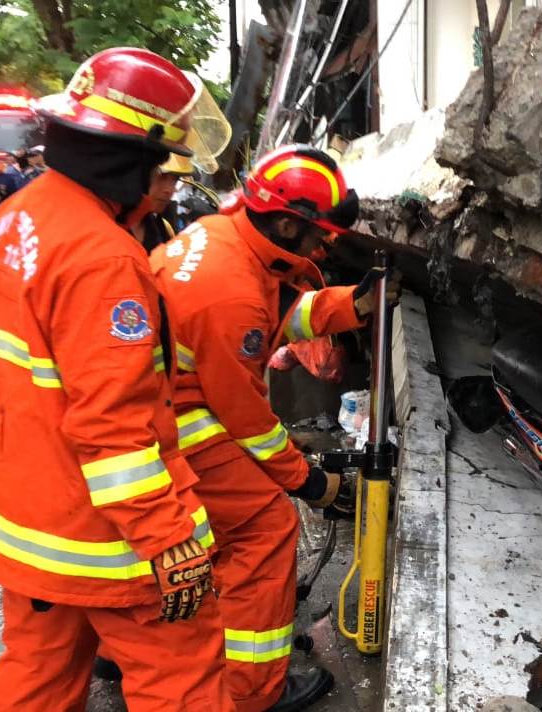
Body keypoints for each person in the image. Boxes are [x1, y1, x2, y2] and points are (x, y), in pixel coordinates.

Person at [0, 47, 234, 712]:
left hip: (24, 523)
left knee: (37, 673)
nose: (163, 180)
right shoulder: (103, 258)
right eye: (159, 161)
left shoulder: (10, 220)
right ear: (127, 157)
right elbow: (113, 428)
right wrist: (170, 539)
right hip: (102, 540)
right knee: (182, 679)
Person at [150, 145, 394, 712]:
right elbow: (247, 420)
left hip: (171, 403)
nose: (322, 247)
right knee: (264, 530)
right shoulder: (228, 290)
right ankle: (254, 689)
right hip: (180, 422)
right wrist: (308, 481)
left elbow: (281, 315)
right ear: (287, 223)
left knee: (204, 538)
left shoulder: (226, 237)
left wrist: (353, 305)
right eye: (319, 235)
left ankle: (141, 643)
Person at [131, 154, 191, 253]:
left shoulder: (165, 230)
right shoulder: (108, 223)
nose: (170, 189)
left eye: (175, 179)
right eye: (162, 177)